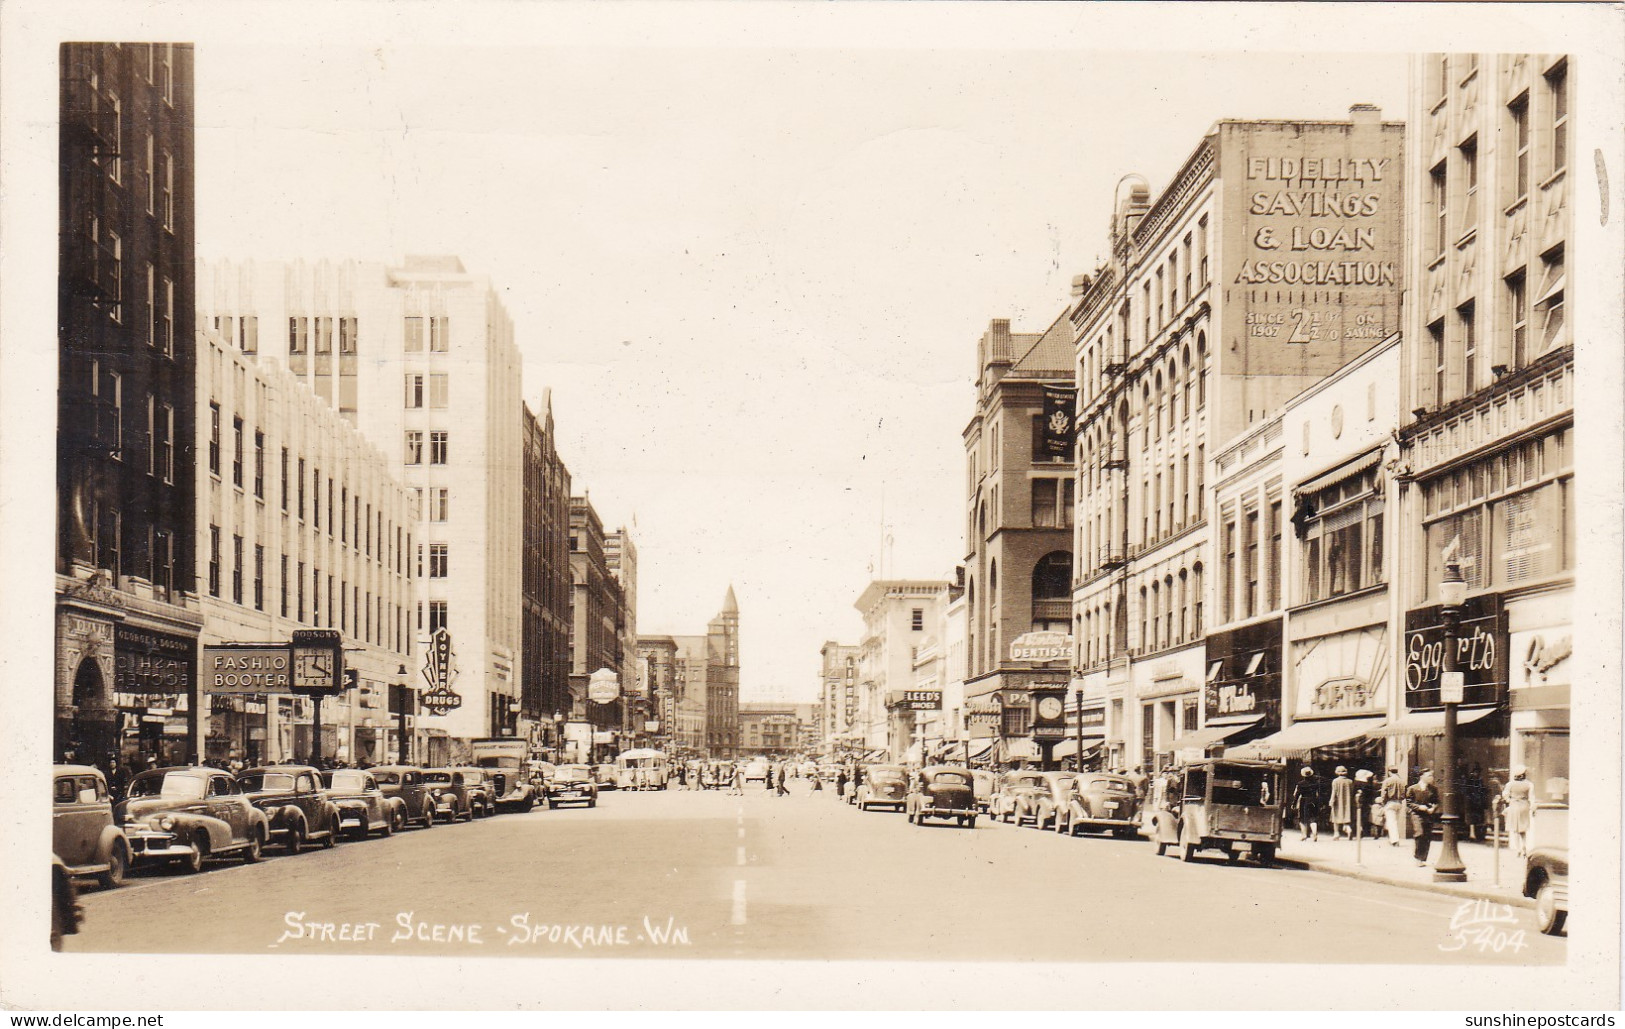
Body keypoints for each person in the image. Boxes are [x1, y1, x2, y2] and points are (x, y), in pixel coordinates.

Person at [1407, 769, 1441, 867]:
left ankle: (1422, 858)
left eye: (1432, 776)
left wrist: (1433, 808)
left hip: (1428, 814)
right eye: (1429, 775)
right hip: (1416, 814)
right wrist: (1419, 807)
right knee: (1419, 833)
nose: (1431, 778)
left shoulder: (1433, 789)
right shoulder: (1412, 788)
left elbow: (1436, 802)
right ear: (1422, 776)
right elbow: (1409, 803)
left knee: (1427, 836)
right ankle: (1418, 857)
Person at [1501, 766, 1534, 857]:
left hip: (1514, 806)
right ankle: (1524, 846)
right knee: (1523, 829)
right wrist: (1532, 807)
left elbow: (1505, 794)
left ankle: (1518, 848)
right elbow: (1532, 797)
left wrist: (1509, 800)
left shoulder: (1510, 784)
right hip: (1524, 806)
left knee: (1515, 829)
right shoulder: (1529, 784)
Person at [1291, 767, 1323, 842]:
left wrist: (1294, 803)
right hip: (1313, 801)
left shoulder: (1300, 784)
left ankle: (1304, 835)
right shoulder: (1316, 783)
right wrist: (1320, 803)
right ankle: (1314, 833)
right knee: (1313, 818)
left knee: (1302, 819)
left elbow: (1297, 795)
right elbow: (1319, 794)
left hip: (1304, 801)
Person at [1380, 767, 1407, 845]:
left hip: (1390, 803)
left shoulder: (1387, 781)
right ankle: (1391, 838)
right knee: (1395, 821)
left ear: (1389, 772)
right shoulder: (1402, 781)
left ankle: (1395, 840)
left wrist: (1383, 802)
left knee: (1392, 822)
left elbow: (1384, 793)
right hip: (1399, 803)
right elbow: (1405, 793)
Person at [1328, 766, 1355, 839]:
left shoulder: (1335, 781)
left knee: (1335, 817)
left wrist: (1331, 801)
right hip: (1347, 802)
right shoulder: (1350, 781)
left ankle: (1336, 833)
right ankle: (1348, 829)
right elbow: (1352, 792)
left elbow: (1334, 792)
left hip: (1337, 801)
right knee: (1346, 816)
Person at [1353, 769, 1377, 838]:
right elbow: (1370, 794)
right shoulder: (1368, 785)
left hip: (1356, 802)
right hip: (1365, 802)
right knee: (1364, 816)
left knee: (1357, 816)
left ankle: (1358, 830)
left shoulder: (1355, 783)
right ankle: (1364, 830)